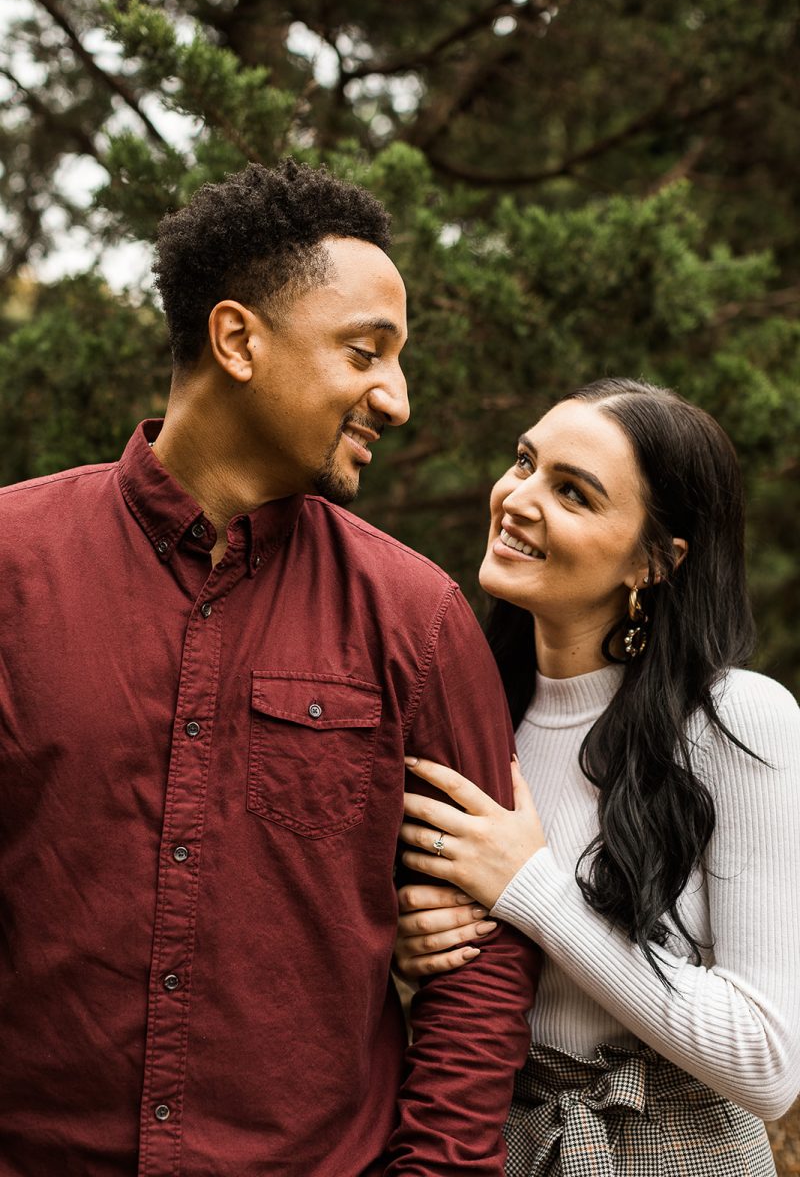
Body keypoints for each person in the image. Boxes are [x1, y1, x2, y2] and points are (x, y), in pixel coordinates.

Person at [0, 160, 539, 1176]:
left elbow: (485, 955)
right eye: (364, 352)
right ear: (238, 339)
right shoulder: (10, 567)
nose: (397, 399)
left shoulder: (417, 619)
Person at [394, 378, 800, 1175]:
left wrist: (532, 889)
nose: (518, 498)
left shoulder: (739, 722)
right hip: (503, 1145)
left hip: (678, 1150)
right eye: (525, 462)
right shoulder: (471, 718)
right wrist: (408, 949)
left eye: (573, 493)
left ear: (655, 560)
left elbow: (767, 1062)